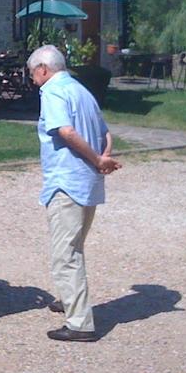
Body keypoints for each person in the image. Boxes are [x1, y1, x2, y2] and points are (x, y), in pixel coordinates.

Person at [27, 44, 121, 342]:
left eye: (32, 73)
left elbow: (65, 132)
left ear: (43, 69)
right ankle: (70, 299)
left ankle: (80, 323)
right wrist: (102, 158)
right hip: (88, 182)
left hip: (67, 182)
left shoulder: (53, 91)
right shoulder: (82, 91)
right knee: (75, 245)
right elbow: (107, 132)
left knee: (65, 254)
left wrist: (96, 159)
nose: (32, 79)